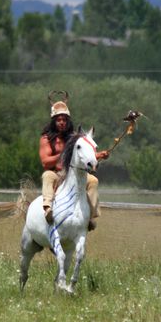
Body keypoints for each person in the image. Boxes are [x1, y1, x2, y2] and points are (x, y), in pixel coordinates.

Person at [40, 93, 109, 231]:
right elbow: (45, 162)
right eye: (59, 119)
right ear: (54, 121)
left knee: (93, 181)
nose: (62, 122)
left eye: (64, 119)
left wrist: (99, 155)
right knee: (47, 176)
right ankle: (48, 209)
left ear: (68, 121)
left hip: (74, 173)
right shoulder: (46, 138)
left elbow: (84, 155)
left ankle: (90, 216)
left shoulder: (75, 138)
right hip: (57, 173)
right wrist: (63, 154)